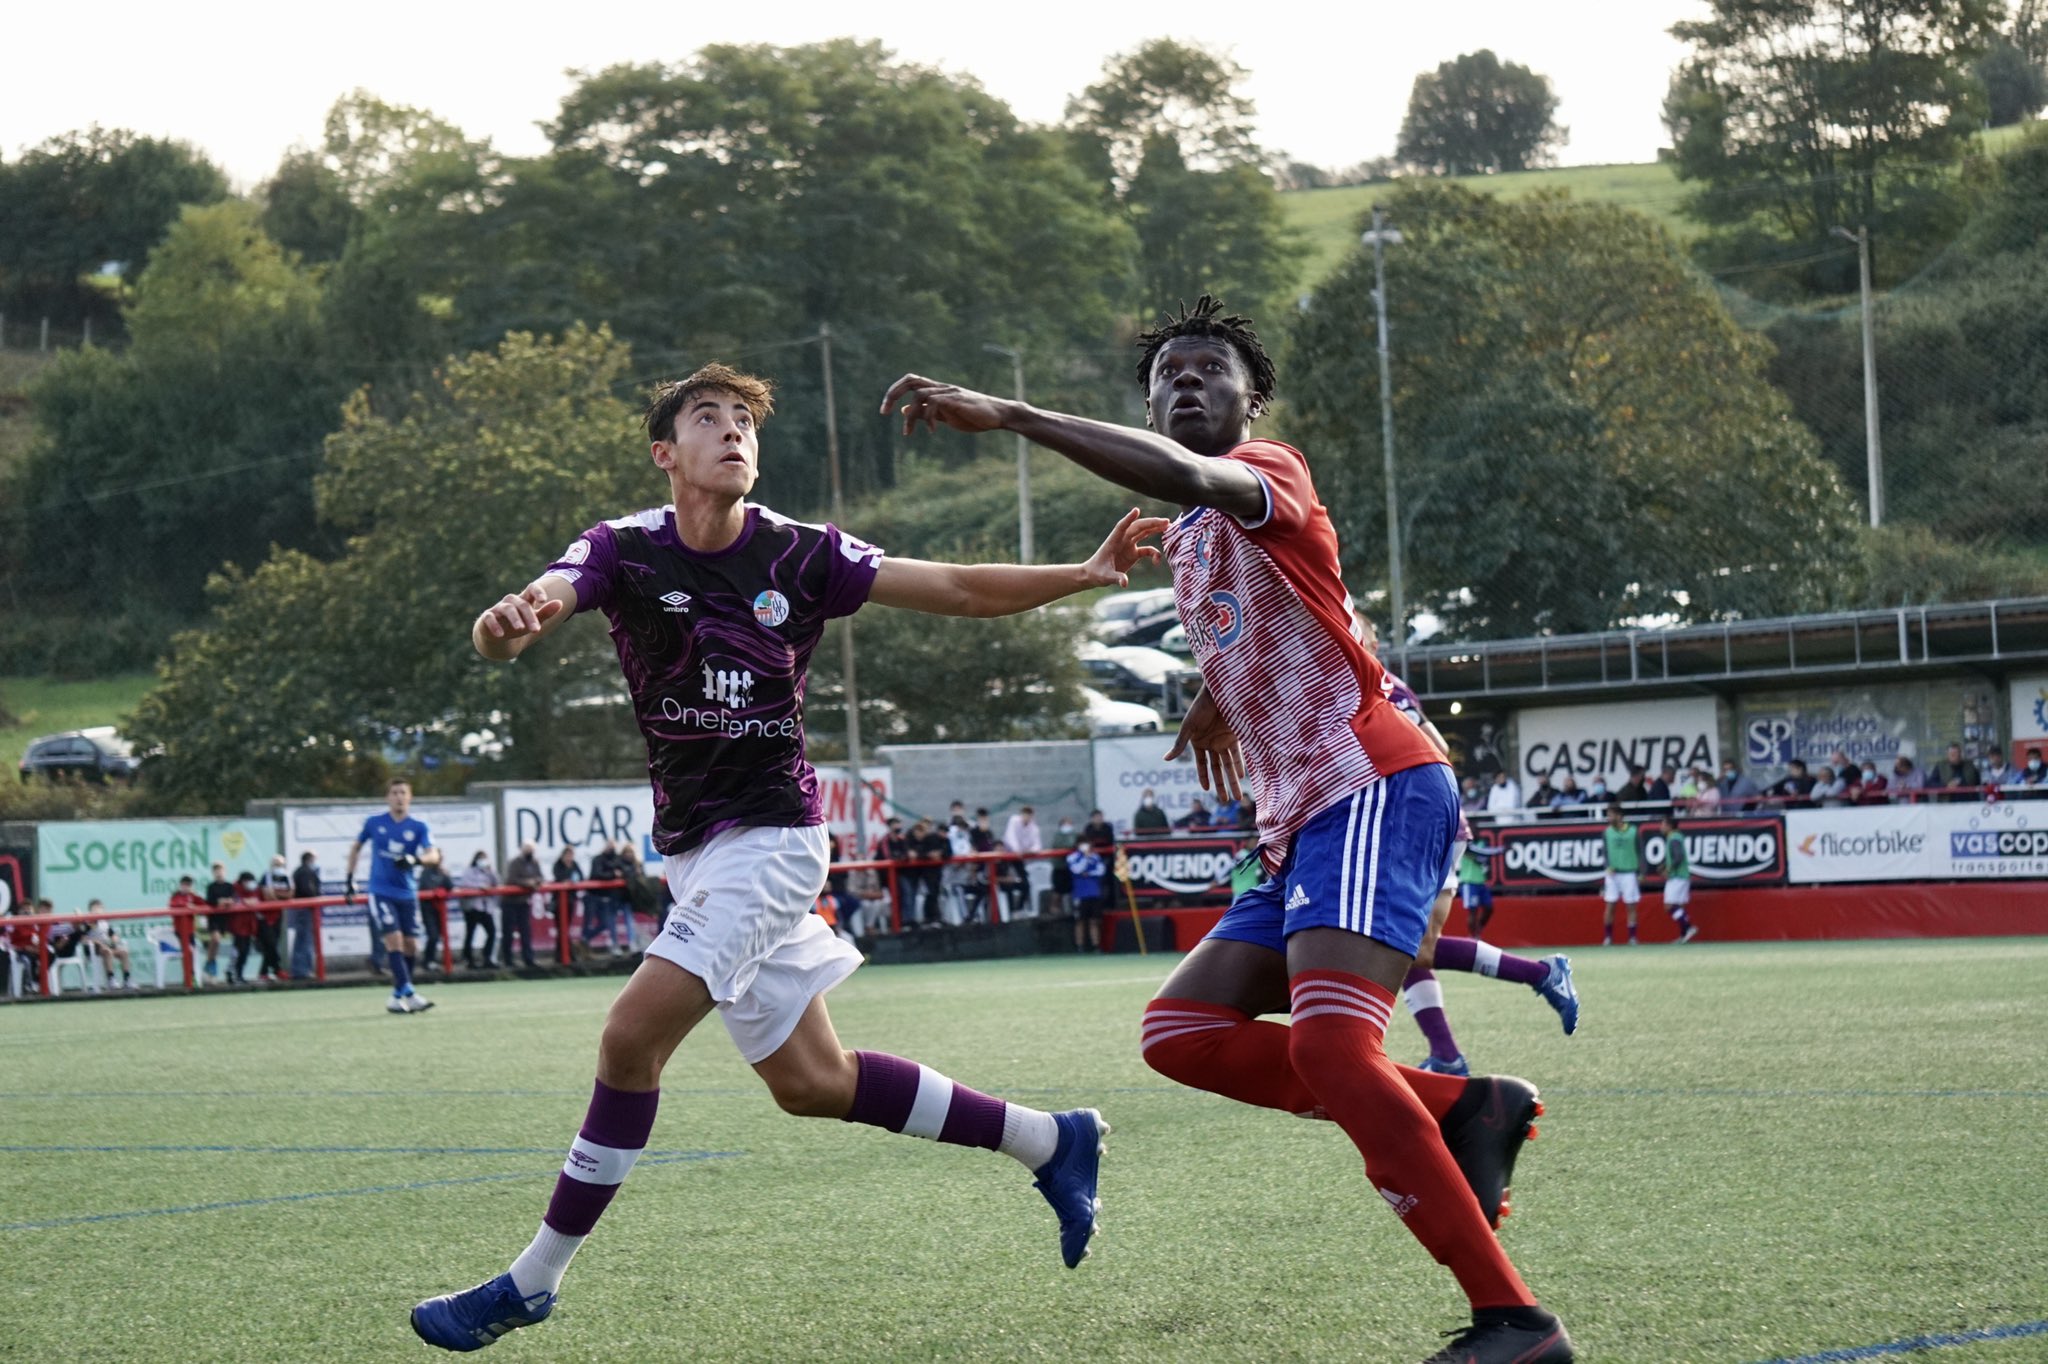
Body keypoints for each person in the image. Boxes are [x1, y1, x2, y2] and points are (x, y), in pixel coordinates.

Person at [412, 360, 1154, 1350]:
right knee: (812, 1081)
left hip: (771, 843)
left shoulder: (801, 554)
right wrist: (502, 627)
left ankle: (531, 1280)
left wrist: (1082, 573)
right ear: (664, 452)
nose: (732, 432)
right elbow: (534, 607)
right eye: (707, 417)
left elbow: (957, 587)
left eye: (745, 421)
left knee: (629, 1039)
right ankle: (1049, 1139)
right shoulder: (623, 548)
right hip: (696, 854)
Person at [883, 299, 1572, 1361]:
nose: (1188, 382)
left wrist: (1014, 414)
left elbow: (1197, 481)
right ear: (1149, 403)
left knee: (1333, 1048)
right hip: (1298, 819)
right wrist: (1218, 696)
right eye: (1169, 373)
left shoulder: (1263, 471)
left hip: (1370, 781)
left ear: (1252, 402)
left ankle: (1513, 1321)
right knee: (1180, 1032)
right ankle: (1461, 1105)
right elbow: (1315, 610)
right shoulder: (1193, 539)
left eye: (1211, 368)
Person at [346, 777, 441, 1014]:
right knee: (394, 939)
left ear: (410, 797)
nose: (399, 797)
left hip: (407, 893)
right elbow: (356, 847)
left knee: (411, 945)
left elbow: (434, 856)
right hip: (381, 892)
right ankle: (410, 992)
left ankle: (396, 996)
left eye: (403, 793)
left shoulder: (418, 826)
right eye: (394, 793)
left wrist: (415, 860)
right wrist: (350, 879)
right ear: (387, 797)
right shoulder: (374, 822)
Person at [1601, 804, 1642, 946]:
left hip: (1629, 872)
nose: (1608, 818)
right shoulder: (1607, 832)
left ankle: (1632, 937)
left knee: (1631, 905)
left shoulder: (1633, 831)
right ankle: (1608, 937)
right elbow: (1605, 853)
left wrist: (1642, 872)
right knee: (1610, 905)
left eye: (1610, 815)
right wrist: (1607, 866)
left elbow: (1640, 851)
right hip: (1613, 874)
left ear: (1619, 816)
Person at [1659, 814, 1702, 943]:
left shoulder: (1673, 838)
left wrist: (1668, 869)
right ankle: (1684, 934)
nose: (1661, 827)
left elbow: (1678, 856)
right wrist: (1664, 865)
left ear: (1669, 826)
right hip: (1683, 876)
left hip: (1677, 877)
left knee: (1669, 906)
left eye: (1663, 824)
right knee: (1678, 906)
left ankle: (1688, 927)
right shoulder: (1677, 837)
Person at [500, 842, 544, 970]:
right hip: (510, 902)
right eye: (528, 849)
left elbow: (540, 877)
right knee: (508, 932)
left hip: (524, 901)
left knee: (526, 931)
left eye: (532, 850)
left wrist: (536, 882)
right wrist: (527, 883)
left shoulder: (534, 863)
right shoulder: (515, 863)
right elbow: (511, 880)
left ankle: (528, 958)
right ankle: (508, 960)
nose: (530, 852)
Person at [1065, 839, 1108, 953]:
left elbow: (1101, 871)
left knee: (1094, 920)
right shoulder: (1072, 857)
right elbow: (1076, 870)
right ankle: (1080, 946)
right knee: (1079, 921)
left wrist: (1089, 873)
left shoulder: (1095, 856)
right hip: (1080, 893)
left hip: (1094, 892)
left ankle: (1096, 945)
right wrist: (1084, 858)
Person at [457, 851, 498, 969]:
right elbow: (464, 884)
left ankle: (487, 957)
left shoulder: (489, 872)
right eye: (481, 859)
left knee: (492, 932)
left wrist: (491, 872)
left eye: (485, 859)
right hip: (473, 907)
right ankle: (468, 959)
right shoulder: (469, 871)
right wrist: (479, 887)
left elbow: (497, 883)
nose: (483, 861)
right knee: (470, 933)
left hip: (486, 907)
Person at [1000, 806, 1042, 919]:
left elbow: (1037, 845)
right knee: (1006, 884)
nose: (1026, 817)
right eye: (1025, 814)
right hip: (1007, 855)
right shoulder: (1014, 820)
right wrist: (1017, 850)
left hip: (1019, 858)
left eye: (1029, 815)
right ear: (1021, 814)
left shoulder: (1034, 828)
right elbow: (1010, 837)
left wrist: (1030, 851)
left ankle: (1019, 909)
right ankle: (1009, 911)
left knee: (1026, 883)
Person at [417, 855, 456, 974]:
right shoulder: (426, 872)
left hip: (440, 909)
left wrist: (446, 875)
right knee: (432, 935)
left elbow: (450, 887)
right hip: (428, 908)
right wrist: (437, 890)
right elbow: (425, 887)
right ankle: (428, 961)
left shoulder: (442, 872)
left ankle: (432, 960)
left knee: (438, 935)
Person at [588, 840, 627, 956]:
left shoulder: (617, 859)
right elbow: (597, 874)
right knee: (603, 922)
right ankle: (585, 939)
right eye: (609, 847)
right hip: (597, 896)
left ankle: (613, 944)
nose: (611, 850)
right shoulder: (598, 859)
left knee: (609, 922)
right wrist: (613, 874)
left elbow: (624, 872)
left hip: (614, 896)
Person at [288, 852, 323, 980]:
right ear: (309, 860)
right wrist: (315, 896)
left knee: (303, 939)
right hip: (305, 909)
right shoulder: (304, 872)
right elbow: (306, 890)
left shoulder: (301, 871)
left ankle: (302, 969)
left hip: (304, 909)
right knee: (304, 939)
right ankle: (301, 971)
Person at [202, 862, 235, 985]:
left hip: (227, 919)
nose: (218, 873)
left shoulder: (230, 886)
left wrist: (227, 901)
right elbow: (210, 901)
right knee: (215, 940)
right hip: (215, 919)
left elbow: (233, 900)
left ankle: (231, 970)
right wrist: (219, 902)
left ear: (224, 871)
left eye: (220, 870)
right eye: (216, 871)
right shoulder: (211, 887)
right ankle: (211, 967)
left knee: (239, 943)